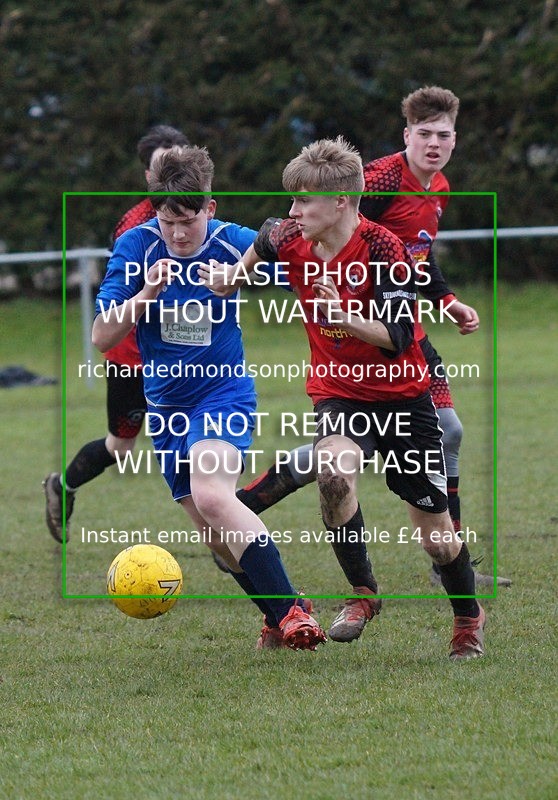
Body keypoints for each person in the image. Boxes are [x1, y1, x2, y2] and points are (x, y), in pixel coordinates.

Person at [200, 135, 485, 660]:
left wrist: (343, 317)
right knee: (333, 472)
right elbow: (264, 239)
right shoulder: (290, 235)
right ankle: (363, 593)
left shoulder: (383, 249)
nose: (294, 211)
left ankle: (468, 616)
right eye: (292, 200)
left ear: (341, 201)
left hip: (404, 398)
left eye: (304, 200)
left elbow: (399, 335)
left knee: (437, 536)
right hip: (338, 393)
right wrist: (232, 277)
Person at [232, 86, 510, 590]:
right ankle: (438, 561)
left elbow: (416, 254)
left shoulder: (438, 187)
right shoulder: (382, 179)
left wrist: (447, 300)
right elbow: (351, 232)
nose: (434, 144)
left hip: (401, 329)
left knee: (446, 431)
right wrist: (333, 292)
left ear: (455, 139)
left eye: (443, 135)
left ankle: (447, 557)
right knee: (414, 436)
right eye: (424, 134)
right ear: (406, 135)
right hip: (369, 330)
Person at [91, 145, 326, 651]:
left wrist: (256, 269)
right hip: (166, 409)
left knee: (214, 496)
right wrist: (144, 295)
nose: (178, 234)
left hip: (222, 394)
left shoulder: (230, 242)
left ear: (210, 208)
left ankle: (291, 614)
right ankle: (281, 613)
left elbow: (300, 266)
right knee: (217, 539)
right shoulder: (136, 247)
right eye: (167, 221)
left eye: (188, 221)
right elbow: (102, 336)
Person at [43, 125, 190, 543]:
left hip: (184, 353)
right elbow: (121, 298)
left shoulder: (199, 214)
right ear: (148, 175)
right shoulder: (135, 226)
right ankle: (62, 486)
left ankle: (225, 527)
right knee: (121, 447)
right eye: (164, 166)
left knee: (202, 436)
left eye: (181, 162)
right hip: (134, 356)